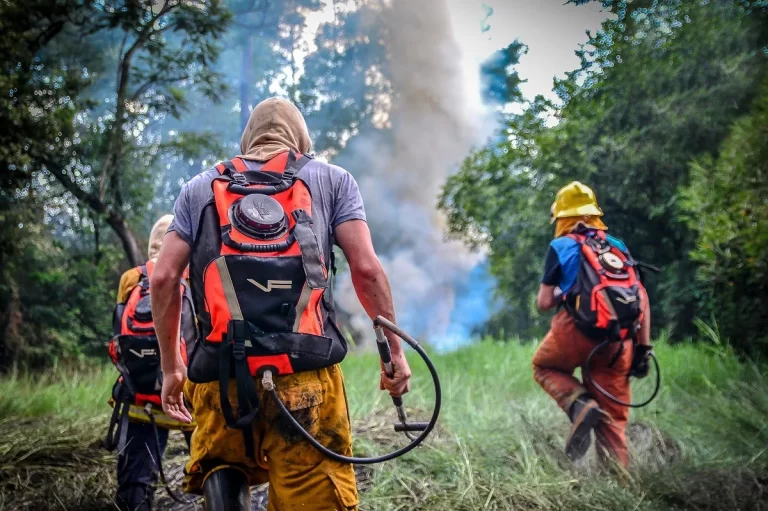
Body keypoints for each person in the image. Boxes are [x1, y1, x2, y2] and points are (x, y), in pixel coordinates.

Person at [150, 97, 411, 511]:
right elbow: (367, 270)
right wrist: (393, 352)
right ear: (302, 141)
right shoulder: (332, 180)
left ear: (247, 141)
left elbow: (162, 277)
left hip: (221, 376)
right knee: (313, 490)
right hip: (306, 376)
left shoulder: (199, 188)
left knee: (222, 464)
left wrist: (171, 368)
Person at [532, 181, 652, 469]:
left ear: (562, 218)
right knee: (613, 425)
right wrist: (643, 348)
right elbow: (642, 299)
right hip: (618, 340)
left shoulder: (561, 245)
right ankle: (618, 491)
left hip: (574, 330)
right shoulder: (618, 247)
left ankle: (580, 404)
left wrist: (567, 291)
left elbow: (544, 302)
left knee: (544, 366)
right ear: (594, 215)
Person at [109, 215, 197, 511]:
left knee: (135, 480)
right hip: (191, 391)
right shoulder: (194, 274)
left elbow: (117, 337)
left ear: (151, 248)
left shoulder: (131, 279)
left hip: (140, 393)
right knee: (216, 468)